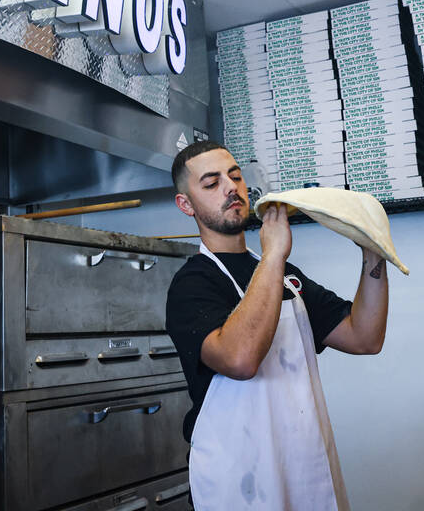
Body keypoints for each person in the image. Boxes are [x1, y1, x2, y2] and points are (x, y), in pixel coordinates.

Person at [164, 140, 390, 510]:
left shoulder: (286, 277)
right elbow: (240, 360)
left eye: (234, 176)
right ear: (186, 204)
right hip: (240, 480)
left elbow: (364, 336)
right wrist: (272, 255)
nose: (230, 188)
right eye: (211, 183)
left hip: (302, 466)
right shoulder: (193, 285)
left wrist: (373, 251)